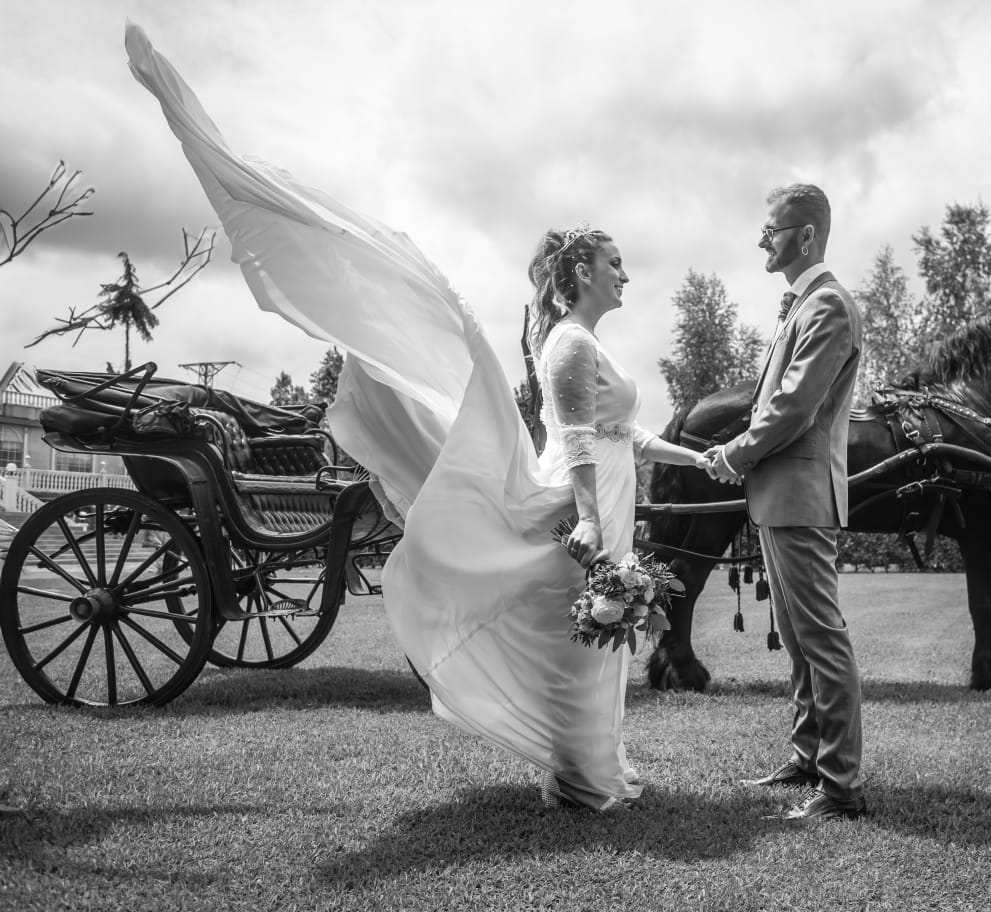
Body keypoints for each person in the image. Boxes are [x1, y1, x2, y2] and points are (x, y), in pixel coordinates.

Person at [125, 25, 709, 813]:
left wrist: (696, 457)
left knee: (591, 634)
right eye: (615, 264)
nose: (627, 273)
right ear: (580, 273)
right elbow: (574, 438)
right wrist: (587, 520)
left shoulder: (585, 343)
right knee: (579, 632)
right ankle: (579, 777)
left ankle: (592, 768)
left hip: (607, 484)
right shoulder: (569, 345)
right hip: (586, 493)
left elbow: (621, 432)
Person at [704, 184, 865, 822]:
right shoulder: (801, 305)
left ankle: (843, 787)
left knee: (821, 639)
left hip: (800, 494)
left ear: (804, 236)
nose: (761, 241)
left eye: (771, 230)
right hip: (780, 497)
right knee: (798, 642)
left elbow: (792, 410)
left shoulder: (827, 305)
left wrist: (733, 453)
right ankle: (808, 756)